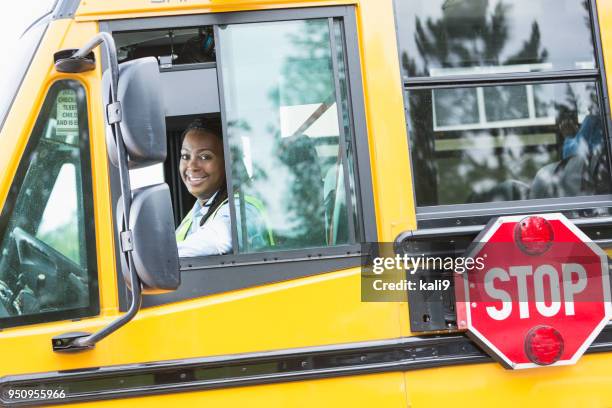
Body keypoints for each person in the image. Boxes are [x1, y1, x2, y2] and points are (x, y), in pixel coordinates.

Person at [175, 119, 232, 257]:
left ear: (229, 161)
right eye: (185, 156)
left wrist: (153, 259)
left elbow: (219, 237)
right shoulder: (195, 214)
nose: (192, 166)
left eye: (205, 157)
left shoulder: (242, 207)